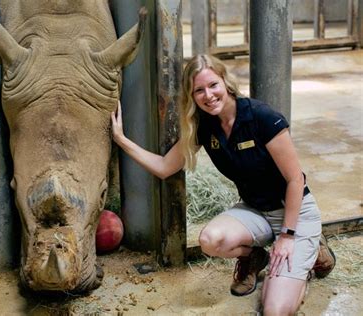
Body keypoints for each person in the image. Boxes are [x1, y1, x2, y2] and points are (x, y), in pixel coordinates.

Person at [111, 54, 335, 314]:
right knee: (210, 240)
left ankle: (307, 258)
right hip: (256, 212)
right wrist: (121, 139)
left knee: (275, 310)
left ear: (226, 83)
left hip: (295, 214)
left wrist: (287, 236)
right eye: (199, 90)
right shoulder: (204, 126)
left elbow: (296, 179)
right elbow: (164, 167)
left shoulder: (261, 117)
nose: (208, 95)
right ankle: (254, 257)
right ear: (191, 96)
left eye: (213, 85)